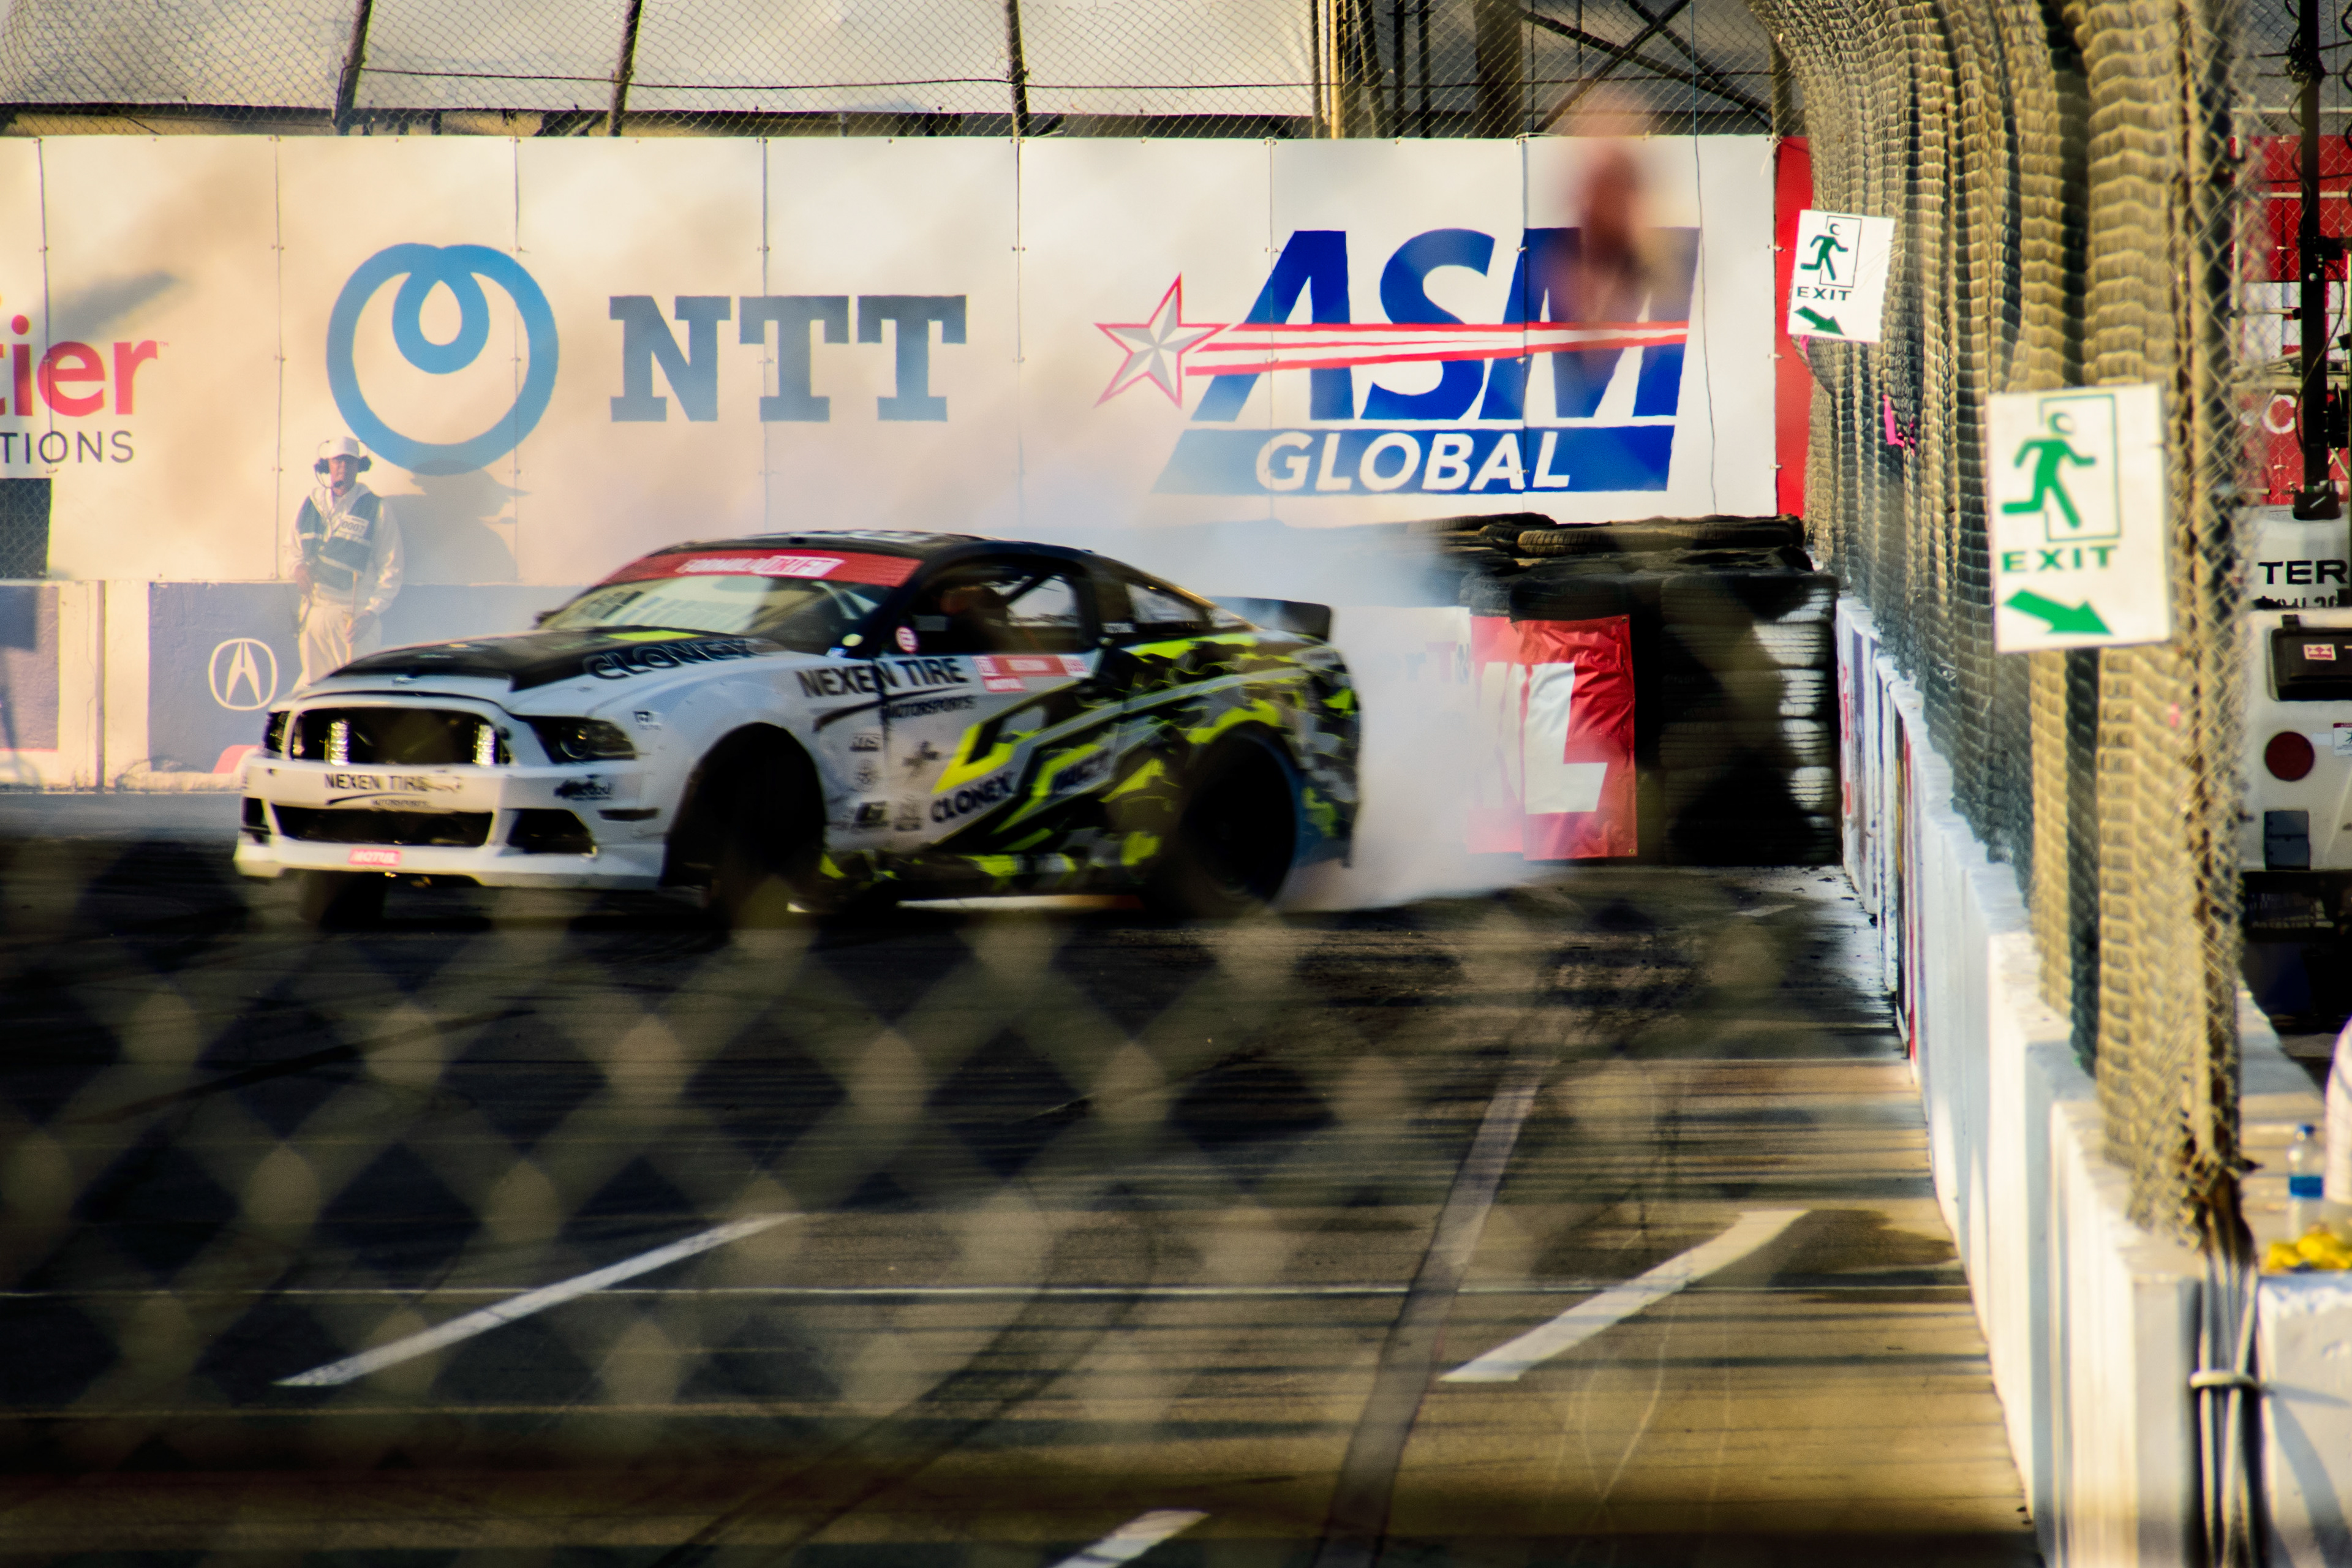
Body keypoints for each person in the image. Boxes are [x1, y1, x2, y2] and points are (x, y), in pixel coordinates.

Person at [293, 435, 402, 686]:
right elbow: (293, 548)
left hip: (354, 618)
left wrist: (371, 613)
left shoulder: (376, 508)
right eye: (337, 461)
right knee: (314, 689)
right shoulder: (310, 504)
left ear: (359, 467)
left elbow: (392, 567)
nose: (343, 467)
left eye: (349, 462)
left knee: (356, 690)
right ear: (327, 466)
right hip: (314, 614)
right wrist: (297, 568)